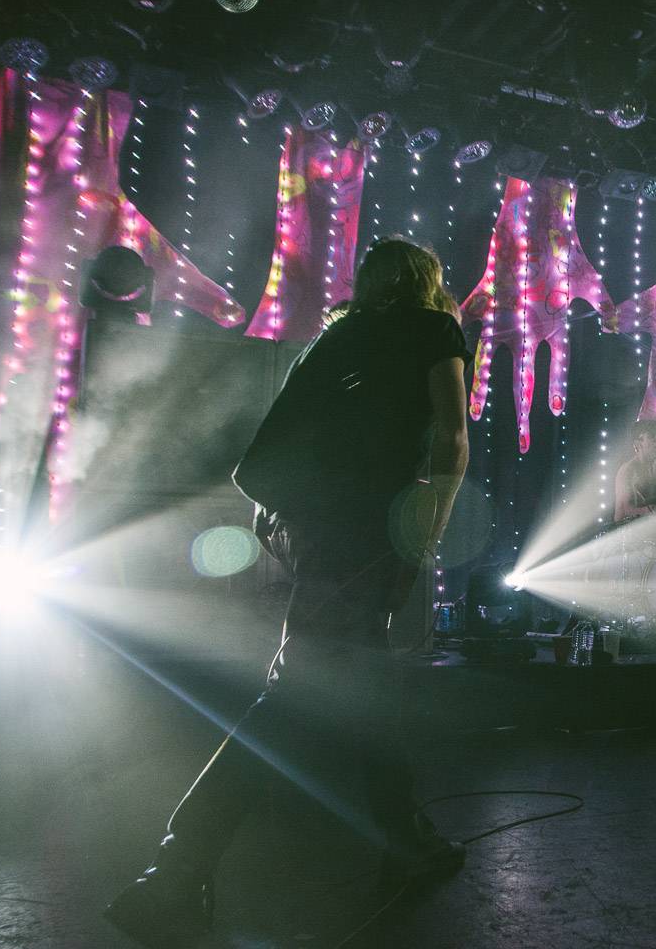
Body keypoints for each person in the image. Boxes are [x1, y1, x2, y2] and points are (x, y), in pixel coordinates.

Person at [104, 237, 470, 948]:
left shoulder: (336, 338)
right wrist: (428, 530)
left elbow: (271, 456)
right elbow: (452, 439)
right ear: (428, 282)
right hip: (368, 537)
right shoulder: (432, 328)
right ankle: (175, 873)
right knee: (289, 697)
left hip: (319, 534)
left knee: (364, 685)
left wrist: (289, 529)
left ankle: (407, 840)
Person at [613, 418, 656, 522]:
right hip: (626, 533)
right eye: (652, 436)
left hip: (650, 531)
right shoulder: (628, 470)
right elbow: (627, 509)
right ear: (638, 444)